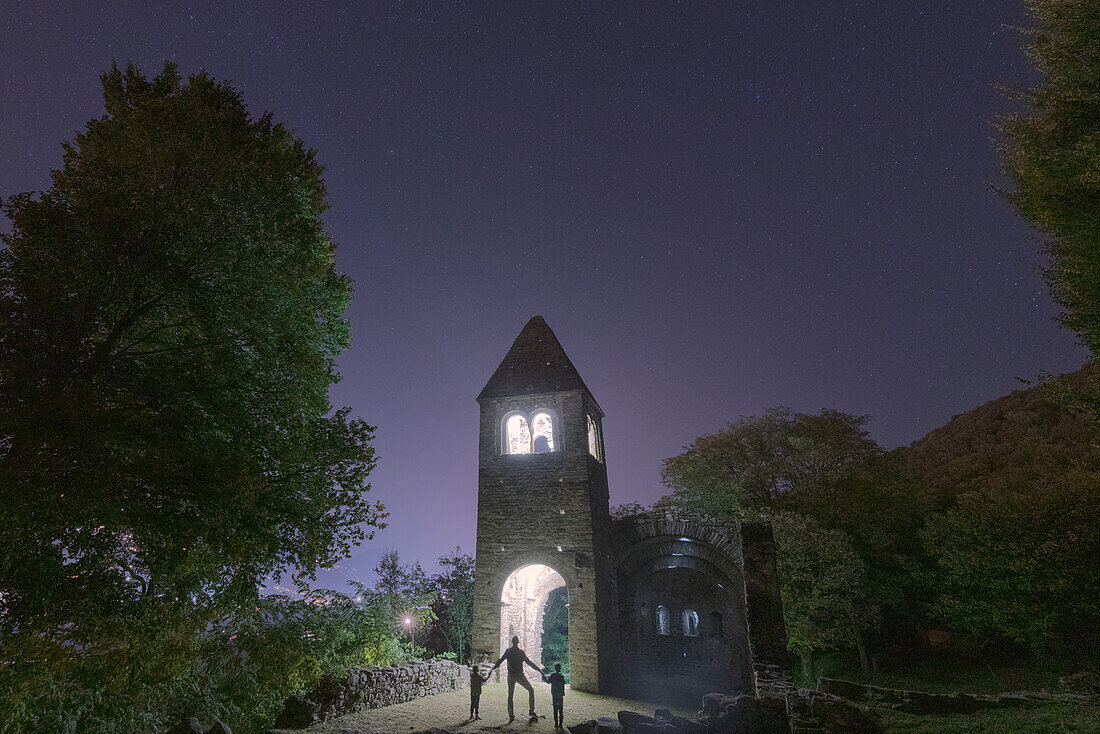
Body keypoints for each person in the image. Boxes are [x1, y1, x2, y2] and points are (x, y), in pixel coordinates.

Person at [488, 635, 543, 722]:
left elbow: (499, 661)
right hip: (519, 675)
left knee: (510, 696)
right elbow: (530, 663)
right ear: (518, 642)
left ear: (512, 642)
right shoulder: (520, 652)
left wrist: (492, 669)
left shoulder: (508, 651)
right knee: (531, 690)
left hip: (511, 675)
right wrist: (540, 671)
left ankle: (511, 715)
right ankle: (531, 711)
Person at [547, 662, 566, 728]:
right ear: (560, 669)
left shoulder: (553, 676)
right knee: (561, 709)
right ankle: (560, 724)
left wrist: (544, 677)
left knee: (555, 709)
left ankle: (556, 724)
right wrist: (563, 692)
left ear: (555, 668)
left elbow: (548, 682)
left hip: (554, 694)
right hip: (560, 695)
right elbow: (563, 685)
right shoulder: (561, 677)